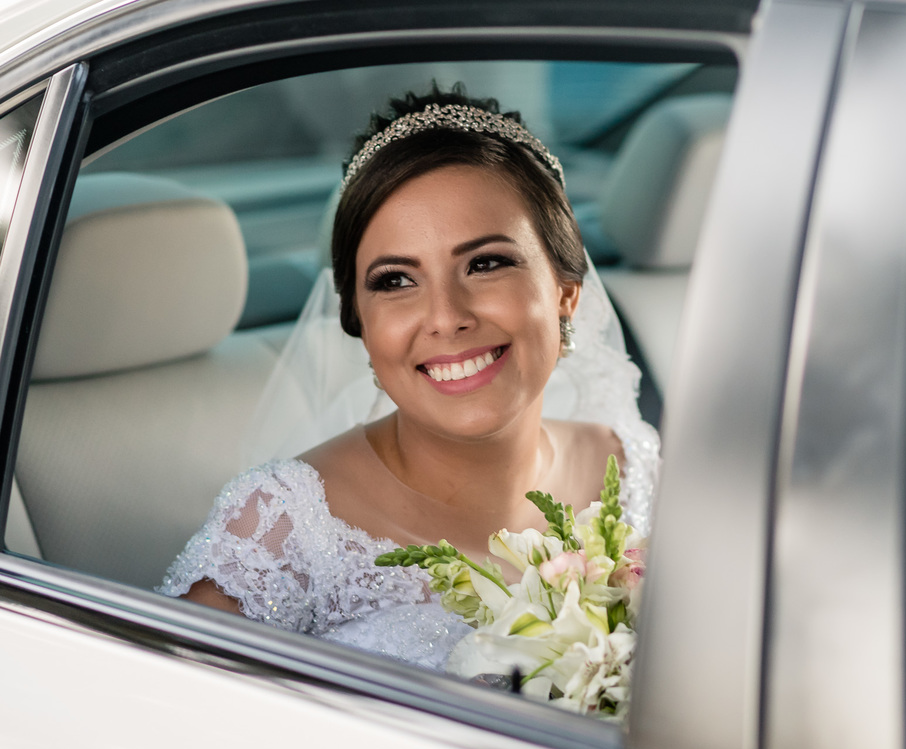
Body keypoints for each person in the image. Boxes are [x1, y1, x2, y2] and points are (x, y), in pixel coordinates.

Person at [157, 87, 659, 671]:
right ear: (360, 323)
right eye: (395, 280)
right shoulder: (281, 530)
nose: (446, 317)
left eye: (486, 263)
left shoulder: (632, 469)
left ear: (566, 292)